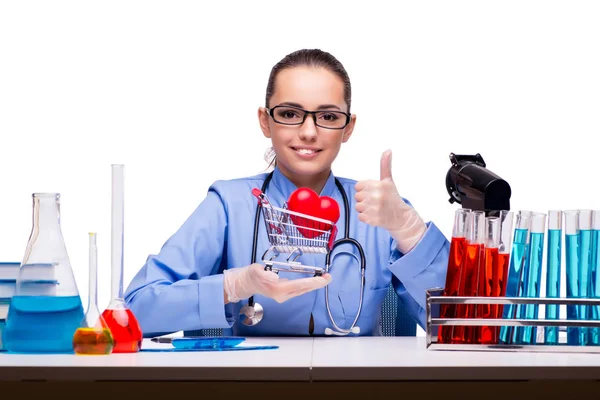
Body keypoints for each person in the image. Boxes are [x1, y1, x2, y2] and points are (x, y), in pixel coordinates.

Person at [124, 49, 450, 337]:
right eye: (290, 114)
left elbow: (462, 325)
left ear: (348, 127)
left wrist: (412, 233)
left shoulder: (381, 212)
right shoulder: (228, 206)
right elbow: (134, 311)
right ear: (265, 122)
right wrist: (231, 286)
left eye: (327, 117)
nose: (308, 132)